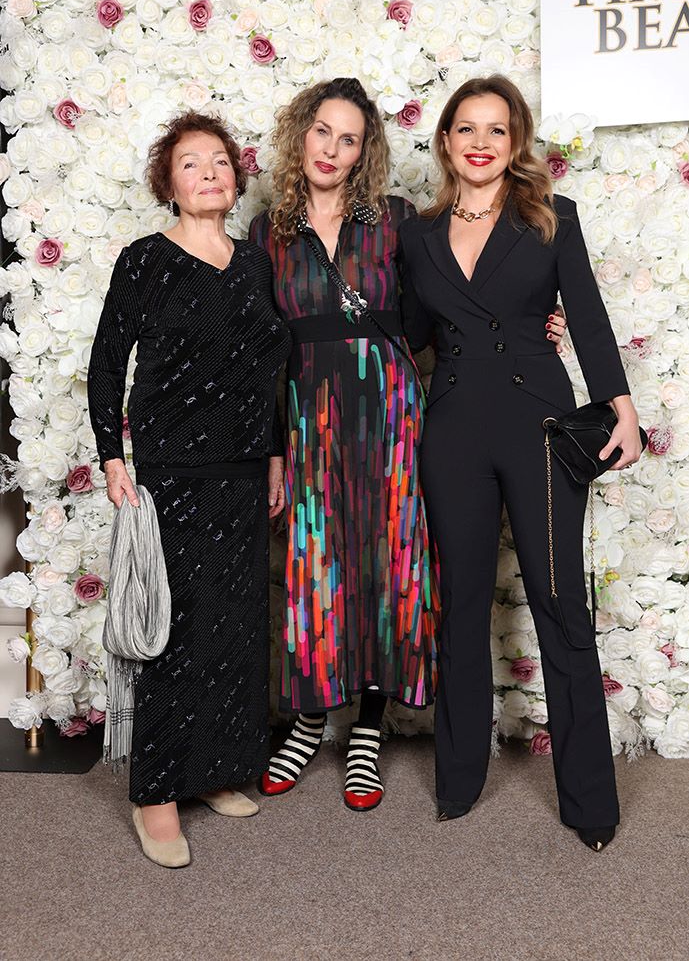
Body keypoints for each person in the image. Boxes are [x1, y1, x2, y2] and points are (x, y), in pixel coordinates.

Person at [249, 78, 566, 812]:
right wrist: (272, 449)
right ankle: (306, 723)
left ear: (365, 151)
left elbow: (438, 311)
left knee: (385, 566)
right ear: (301, 136)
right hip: (309, 418)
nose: (332, 149)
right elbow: (259, 350)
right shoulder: (268, 232)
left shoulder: (393, 221)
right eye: (322, 132)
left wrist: (532, 324)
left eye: (349, 138)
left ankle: (367, 729)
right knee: (314, 566)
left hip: (390, 415)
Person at [399, 74, 642, 851]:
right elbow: (404, 334)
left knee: (559, 603)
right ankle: (458, 780)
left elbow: (589, 318)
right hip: (452, 431)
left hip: (537, 425)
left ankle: (589, 803)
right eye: (466, 128)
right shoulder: (416, 235)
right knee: (460, 606)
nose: (480, 142)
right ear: (445, 141)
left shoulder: (549, 218)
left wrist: (620, 407)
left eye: (496, 129)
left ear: (515, 142)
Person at [87, 111, 291, 866]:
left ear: (236, 178)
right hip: (172, 469)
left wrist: (275, 457)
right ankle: (156, 795)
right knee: (173, 630)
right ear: (168, 184)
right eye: (190, 163)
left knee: (234, 627)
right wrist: (113, 456)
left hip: (243, 471)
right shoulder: (146, 260)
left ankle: (214, 770)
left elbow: (267, 372)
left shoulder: (255, 265)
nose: (209, 172)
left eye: (220, 161)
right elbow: (109, 361)